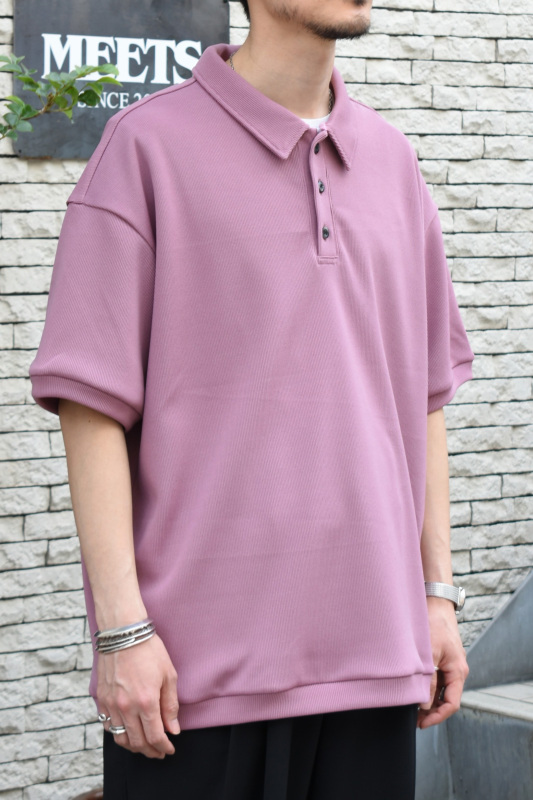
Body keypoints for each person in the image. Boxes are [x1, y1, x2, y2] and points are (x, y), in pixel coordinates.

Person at [28, 0, 475, 797]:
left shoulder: (392, 161)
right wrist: (121, 632)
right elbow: (91, 406)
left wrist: (435, 596)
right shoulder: (146, 147)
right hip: (188, 680)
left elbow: (424, 397)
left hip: (375, 658)